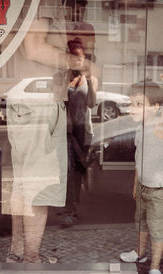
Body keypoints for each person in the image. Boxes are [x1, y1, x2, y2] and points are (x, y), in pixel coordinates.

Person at [2, 0, 68, 264]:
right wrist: (79, 62)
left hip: (28, 100)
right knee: (39, 184)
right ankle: (30, 257)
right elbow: (34, 47)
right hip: (37, 101)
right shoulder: (43, 2)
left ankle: (18, 252)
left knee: (23, 184)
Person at [119, 88, 163, 274]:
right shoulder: (139, 128)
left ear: (156, 107)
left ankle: (154, 267)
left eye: (139, 104)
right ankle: (140, 252)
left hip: (160, 189)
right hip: (144, 185)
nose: (133, 108)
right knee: (141, 222)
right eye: (131, 103)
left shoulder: (161, 126)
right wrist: (137, 183)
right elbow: (139, 160)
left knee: (158, 228)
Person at [53, 38, 97, 227]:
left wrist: (87, 78)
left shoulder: (90, 79)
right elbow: (57, 102)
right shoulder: (60, 77)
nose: (76, 61)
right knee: (66, 169)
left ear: (84, 58)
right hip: (65, 130)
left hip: (82, 130)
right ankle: (68, 207)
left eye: (79, 58)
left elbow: (92, 104)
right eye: (72, 57)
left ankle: (72, 207)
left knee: (77, 170)